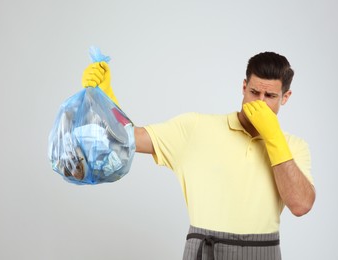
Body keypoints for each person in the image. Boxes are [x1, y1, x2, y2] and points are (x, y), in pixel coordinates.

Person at [82, 51, 316, 260]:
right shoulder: (195, 128)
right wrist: (104, 100)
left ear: (285, 97)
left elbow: (301, 205)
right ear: (243, 87)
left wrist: (273, 138)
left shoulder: (294, 147)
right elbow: (126, 139)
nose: (260, 102)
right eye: (255, 92)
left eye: (271, 96)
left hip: (263, 253)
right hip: (206, 251)